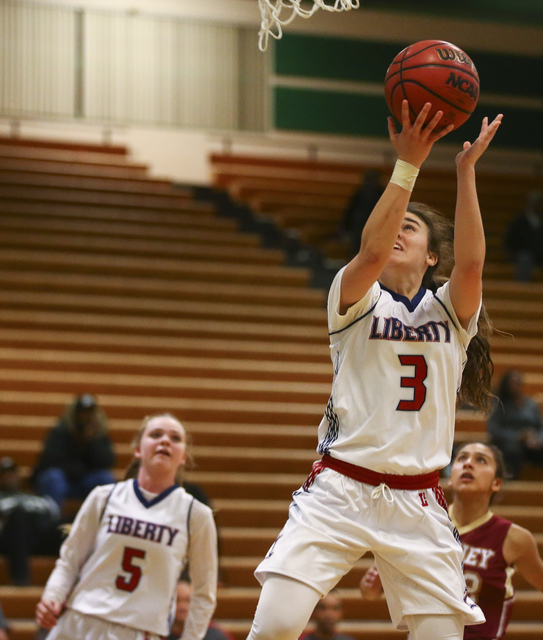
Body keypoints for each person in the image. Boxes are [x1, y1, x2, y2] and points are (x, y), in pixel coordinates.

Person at [245, 99, 503, 640]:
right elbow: (369, 253)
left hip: (419, 500)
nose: (397, 236)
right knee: (274, 626)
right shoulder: (356, 298)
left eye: (411, 228)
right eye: (395, 226)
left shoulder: (450, 314)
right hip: (342, 486)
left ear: (433, 257)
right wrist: (406, 167)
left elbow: (474, 263)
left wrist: (465, 171)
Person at [35, 413, 218, 640]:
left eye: (175, 438)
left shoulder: (196, 515)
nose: (165, 441)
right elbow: (69, 561)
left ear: (183, 457)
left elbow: (204, 592)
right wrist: (52, 595)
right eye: (155, 434)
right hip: (79, 621)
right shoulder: (104, 497)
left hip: (139, 630)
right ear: (138, 449)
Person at [360, 441, 543, 639]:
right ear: (450, 476)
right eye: (462, 458)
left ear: (496, 483)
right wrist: (373, 583)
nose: (468, 464)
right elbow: (368, 593)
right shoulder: (422, 522)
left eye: (481, 460)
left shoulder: (514, 538)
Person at [32, 394, 116, 510]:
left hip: (84, 482)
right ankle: (51, 518)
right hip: (63, 480)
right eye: (82, 413)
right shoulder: (60, 432)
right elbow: (50, 460)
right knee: (53, 477)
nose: (85, 417)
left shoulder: (98, 434)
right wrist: (79, 469)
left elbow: (107, 461)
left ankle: (103, 519)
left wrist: (91, 441)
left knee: (105, 478)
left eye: (88, 413)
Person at [0, 457, 61, 586]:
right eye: (4, 474)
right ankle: (21, 579)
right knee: (18, 516)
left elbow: (54, 518)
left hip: (40, 535)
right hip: (12, 538)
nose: (9, 477)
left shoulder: (37, 497)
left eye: (12, 473)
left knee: (71, 523)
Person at [487, 369, 543, 479]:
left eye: (519, 383)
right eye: (513, 383)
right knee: (513, 451)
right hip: (509, 443)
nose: (516, 386)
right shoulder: (499, 405)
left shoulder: (530, 404)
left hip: (531, 443)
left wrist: (537, 439)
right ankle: (511, 483)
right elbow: (494, 430)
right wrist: (517, 436)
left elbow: (540, 426)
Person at [167, 580, 234, 640]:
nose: (182, 606)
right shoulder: (159, 634)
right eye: (176, 601)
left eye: (188, 600)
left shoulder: (216, 635)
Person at [341, 169, 384, 258]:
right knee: (357, 250)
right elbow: (350, 210)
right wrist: (345, 226)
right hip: (360, 226)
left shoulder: (381, 193)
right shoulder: (359, 192)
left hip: (376, 226)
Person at [504, 189, 543, 282]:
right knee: (525, 259)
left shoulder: (541, 220)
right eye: (536, 202)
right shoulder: (519, 221)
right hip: (523, 253)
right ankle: (522, 288)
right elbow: (510, 240)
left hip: (540, 253)